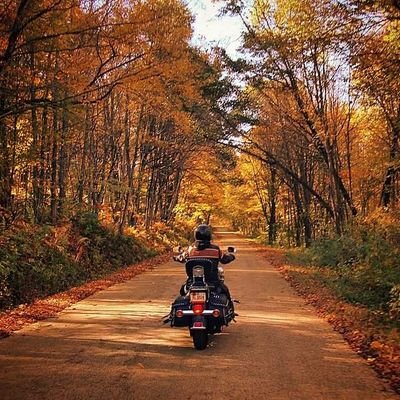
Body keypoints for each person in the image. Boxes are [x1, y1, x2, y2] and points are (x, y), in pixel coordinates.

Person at [175, 224, 235, 306]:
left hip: (192, 282)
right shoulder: (215, 249)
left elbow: (181, 258)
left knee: (183, 292)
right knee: (225, 290)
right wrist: (231, 256)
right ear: (209, 235)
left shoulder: (190, 250)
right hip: (213, 282)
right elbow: (225, 260)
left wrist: (176, 257)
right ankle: (230, 310)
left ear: (196, 235)